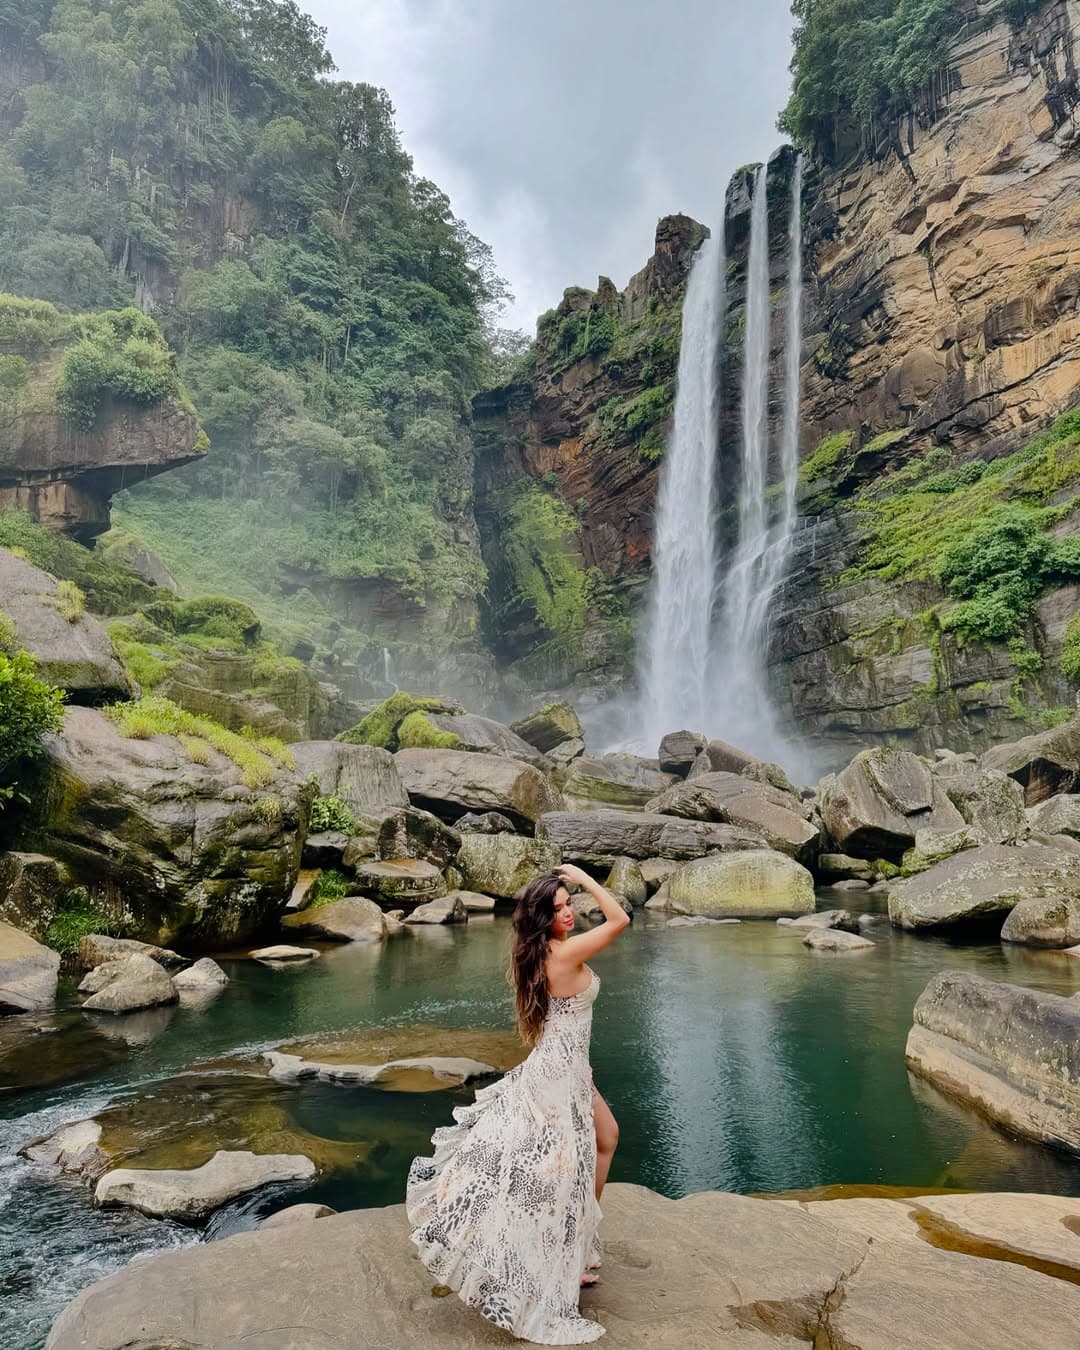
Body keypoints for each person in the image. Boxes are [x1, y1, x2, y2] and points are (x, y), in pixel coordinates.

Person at [406, 863, 630, 1345]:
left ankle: (579, 1250)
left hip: (568, 1070)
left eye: (571, 904)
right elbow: (620, 921)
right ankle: (557, 1260)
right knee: (560, 1170)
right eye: (559, 908)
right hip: (558, 1078)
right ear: (541, 918)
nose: (569, 913)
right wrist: (590, 881)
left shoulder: (544, 949)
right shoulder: (563, 954)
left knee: (605, 1139)